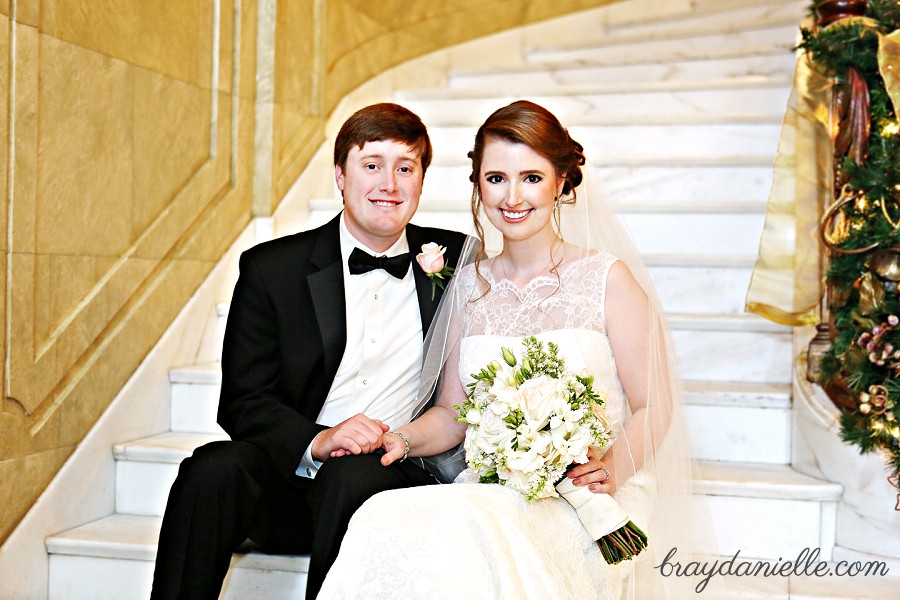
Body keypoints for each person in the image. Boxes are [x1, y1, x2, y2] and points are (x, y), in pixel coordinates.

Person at [318, 100, 708, 599]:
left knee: (473, 529)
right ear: (478, 185)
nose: (512, 196)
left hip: (589, 498)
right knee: (388, 515)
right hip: (495, 491)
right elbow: (453, 415)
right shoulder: (467, 287)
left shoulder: (606, 280)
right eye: (496, 178)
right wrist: (403, 440)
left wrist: (610, 467)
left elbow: (655, 404)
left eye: (531, 177)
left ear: (562, 182)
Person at [150, 103, 468, 600]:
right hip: (296, 479)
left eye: (405, 168)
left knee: (354, 472)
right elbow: (243, 401)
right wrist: (320, 441)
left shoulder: (457, 260)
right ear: (340, 175)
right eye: (371, 165)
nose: (389, 183)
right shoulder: (271, 268)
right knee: (211, 468)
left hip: (392, 478)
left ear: (421, 181)